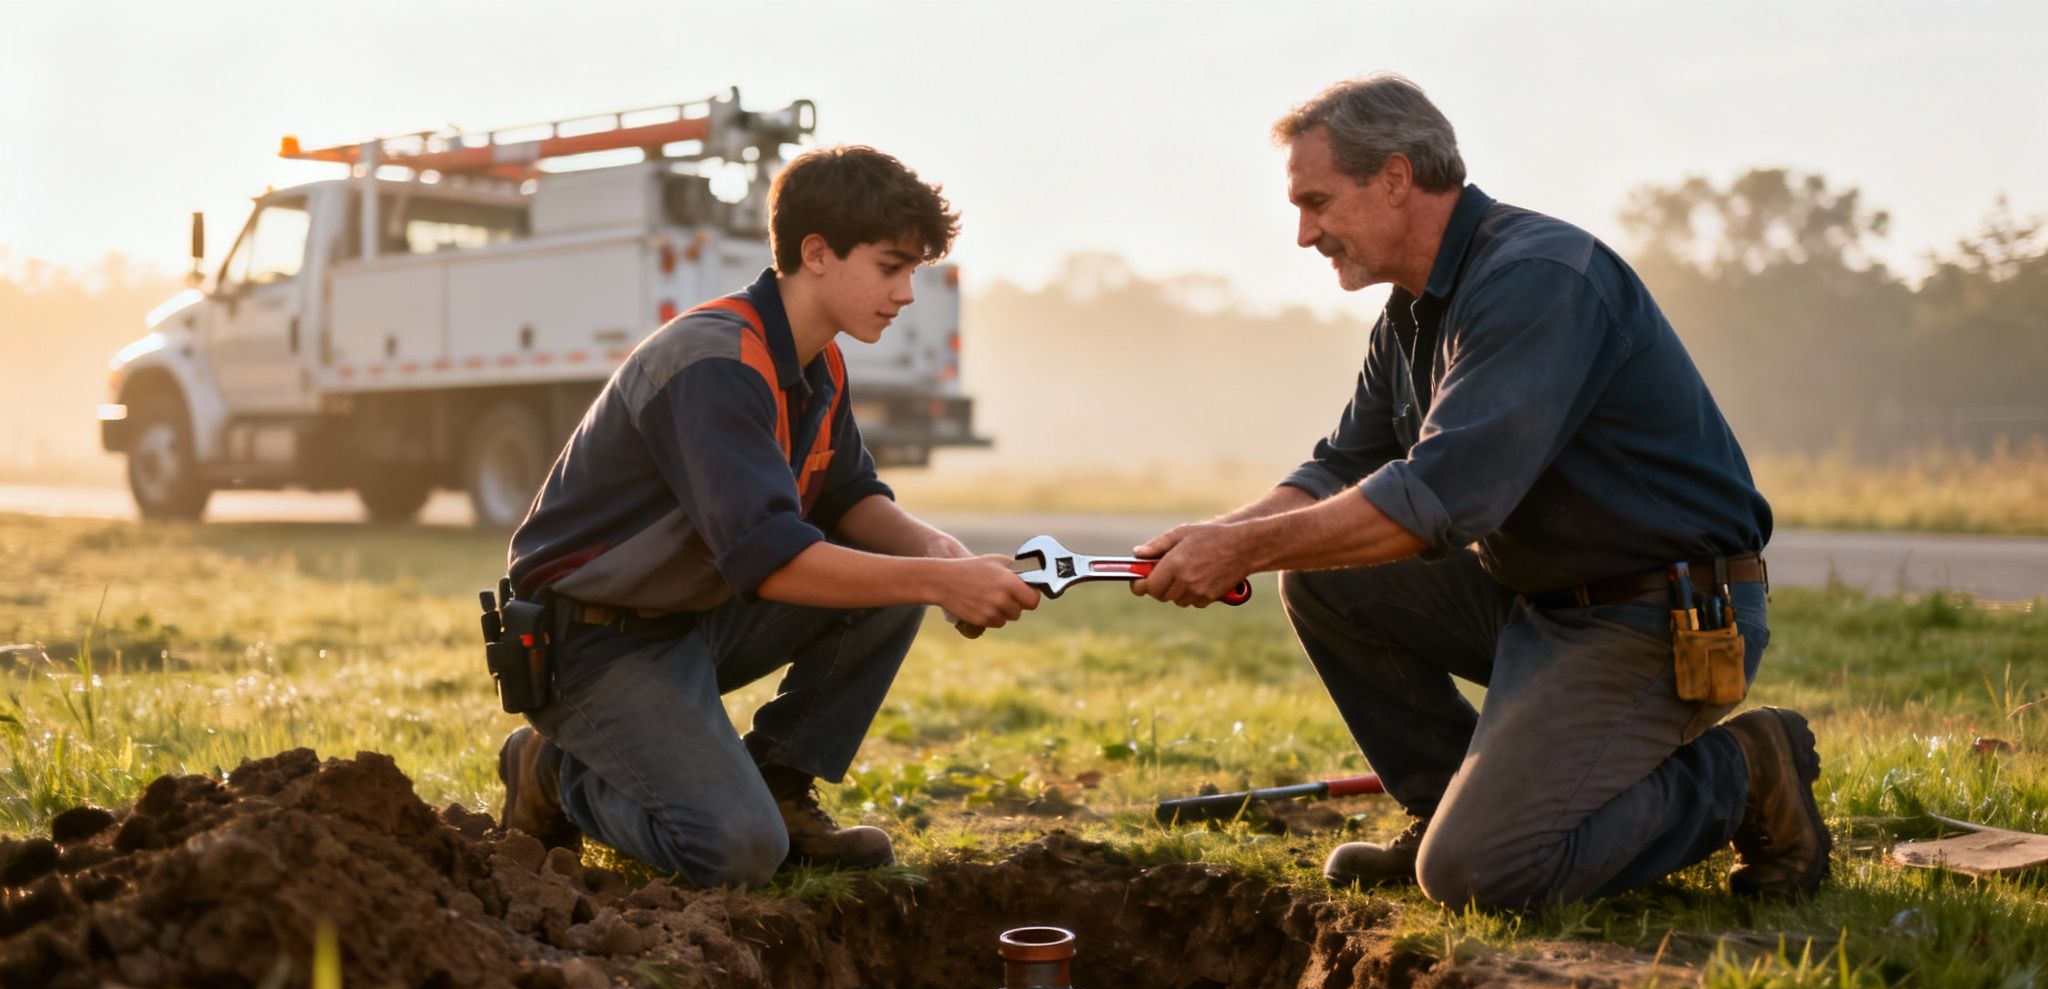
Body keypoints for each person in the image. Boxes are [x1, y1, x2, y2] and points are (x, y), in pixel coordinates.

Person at [1128, 74, 1828, 908]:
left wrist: (1236, 549)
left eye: (1316, 202)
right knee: (1319, 578)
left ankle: (1744, 769)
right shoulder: (1413, 312)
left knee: (1480, 874)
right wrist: (1211, 535)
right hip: (1541, 604)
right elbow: (1339, 468)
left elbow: (1442, 500)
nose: (1305, 233)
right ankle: (1443, 807)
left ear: (1394, 177)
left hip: (1657, 618)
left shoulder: (1539, 279)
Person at [495, 146, 1040, 887]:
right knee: (737, 854)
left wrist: (942, 557)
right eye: (891, 266)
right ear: (816, 253)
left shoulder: (819, 361)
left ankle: (782, 785)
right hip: (594, 644)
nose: (907, 292)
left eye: (914, 270)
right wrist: (943, 583)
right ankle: (559, 774)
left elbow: (848, 497)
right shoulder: (715, 364)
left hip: (691, 621)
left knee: (900, 586)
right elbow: (774, 559)